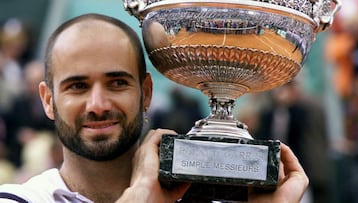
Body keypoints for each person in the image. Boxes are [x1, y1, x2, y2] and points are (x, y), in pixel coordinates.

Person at [0, 13, 308, 202]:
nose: (98, 105)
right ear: (48, 100)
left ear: (146, 93)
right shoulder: (19, 199)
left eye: (117, 83)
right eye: (77, 86)